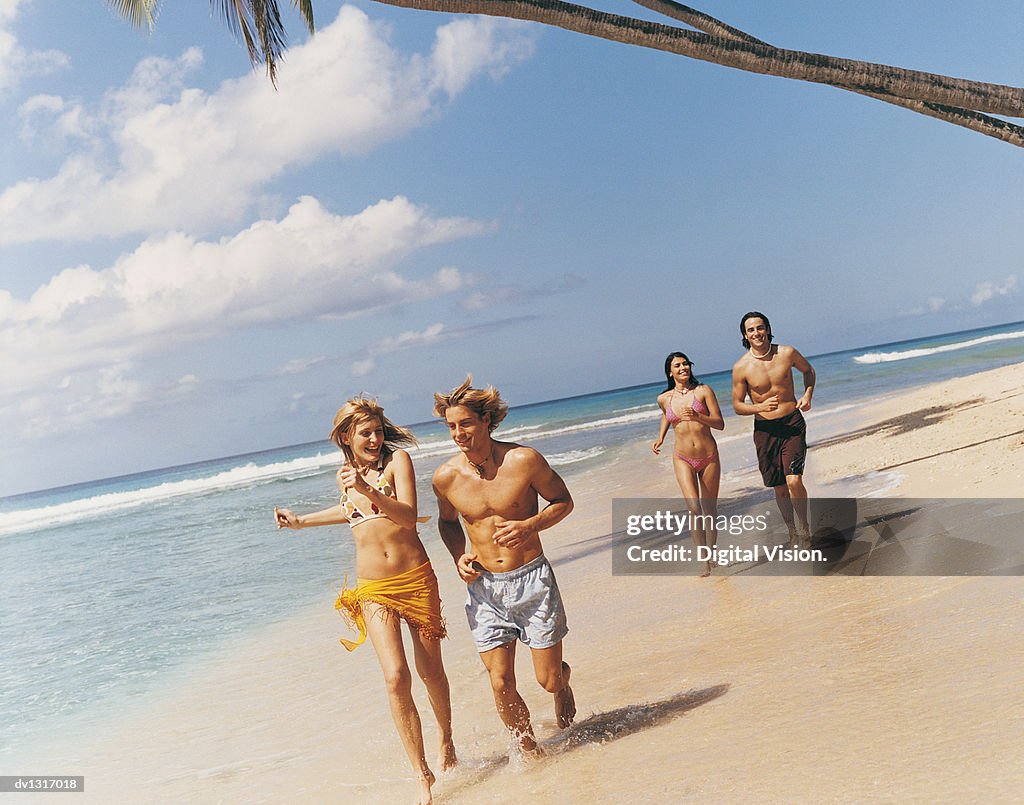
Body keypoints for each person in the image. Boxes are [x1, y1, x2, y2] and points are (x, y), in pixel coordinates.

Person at [274, 398, 455, 805]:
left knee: (430, 672)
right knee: (395, 677)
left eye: (377, 430)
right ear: (346, 438)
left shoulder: (398, 462)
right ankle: (421, 773)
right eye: (365, 433)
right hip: (372, 587)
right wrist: (302, 522)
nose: (374, 439)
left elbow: (407, 516)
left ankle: (446, 737)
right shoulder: (348, 476)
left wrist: (366, 487)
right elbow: (352, 511)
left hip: (414, 580)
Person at [431, 376, 576, 755]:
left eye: (465, 423)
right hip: (484, 589)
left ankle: (563, 681)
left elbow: (563, 501)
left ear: (486, 421)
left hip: (532, 581)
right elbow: (447, 522)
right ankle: (532, 754)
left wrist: (531, 524)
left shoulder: (524, 460)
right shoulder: (445, 477)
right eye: (451, 426)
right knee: (500, 682)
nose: (458, 433)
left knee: (547, 680)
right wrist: (457, 555)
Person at [731, 312, 816, 546]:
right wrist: (758, 406)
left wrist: (807, 394)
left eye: (760, 328)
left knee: (794, 482)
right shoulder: (741, 367)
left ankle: (805, 528)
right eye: (751, 330)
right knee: (779, 488)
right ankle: (792, 532)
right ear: (745, 336)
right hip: (765, 431)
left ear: (767, 328)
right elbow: (737, 405)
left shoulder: (787, 353)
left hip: (791, 425)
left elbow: (808, 371)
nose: (756, 333)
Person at [652, 352, 725, 576]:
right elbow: (667, 415)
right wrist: (661, 436)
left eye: (685, 364)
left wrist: (697, 416)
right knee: (694, 508)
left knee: (710, 510)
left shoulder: (703, 391)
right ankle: (703, 560)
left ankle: (712, 553)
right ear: (670, 371)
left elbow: (720, 423)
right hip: (682, 457)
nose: (683, 368)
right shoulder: (664, 398)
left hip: (709, 456)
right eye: (677, 365)